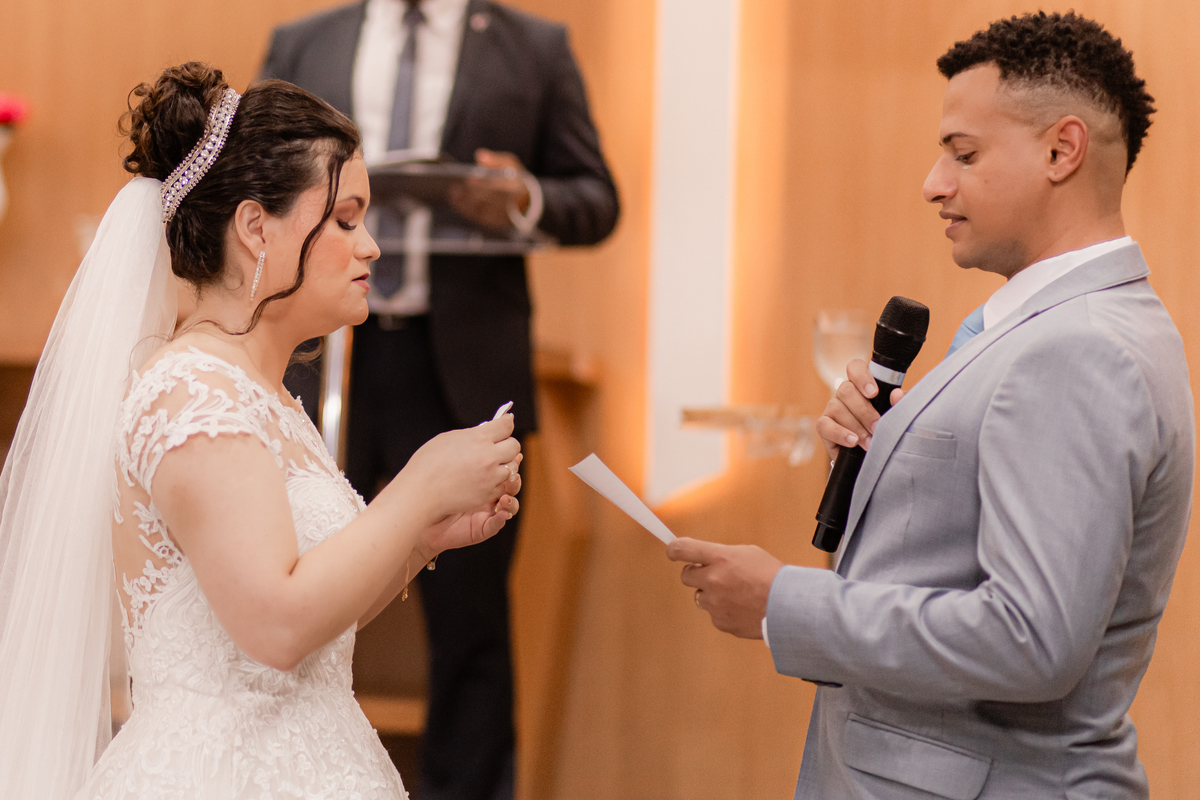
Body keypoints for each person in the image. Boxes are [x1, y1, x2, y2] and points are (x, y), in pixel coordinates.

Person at [667, 12, 1193, 799]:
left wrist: (786, 605)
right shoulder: (1059, 329)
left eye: (963, 153)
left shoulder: (1075, 349)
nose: (933, 182)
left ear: (1062, 149)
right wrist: (895, 442)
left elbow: (1031, 640)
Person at [0, 62, 524, 799]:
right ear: (255, 228)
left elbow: (311, 622)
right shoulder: (193, 395)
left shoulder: (264, 397)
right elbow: (274, 628)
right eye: (344, 219)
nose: (371, 246)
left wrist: (420, 540)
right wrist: (417, 489)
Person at [260, 2, 618, 797]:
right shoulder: (305, 41)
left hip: (461, 369)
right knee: (299, 573)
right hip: (325, 363)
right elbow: (250, 187)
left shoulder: (535, 47)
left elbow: (597, 197)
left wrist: (523, 196)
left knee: (471, 623)